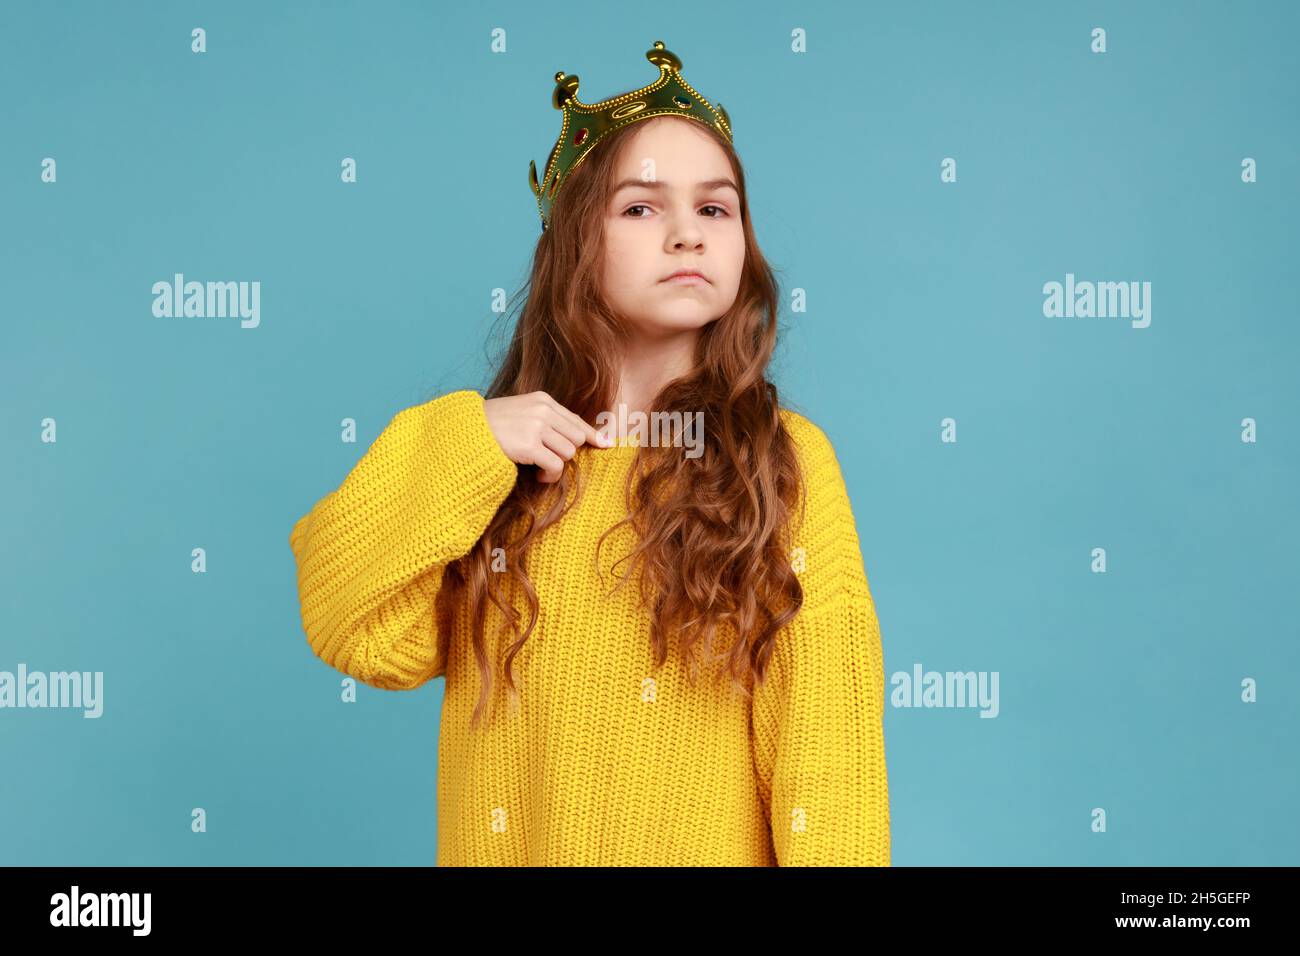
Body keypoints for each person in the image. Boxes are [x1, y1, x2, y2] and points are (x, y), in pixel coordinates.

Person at [289, 40, 890, 866]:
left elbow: (831, 766)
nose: (688, 233)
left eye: (715, 209)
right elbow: (352, 624)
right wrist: (467, 438)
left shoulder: (779, 463)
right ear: (575, 244)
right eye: (641, 208)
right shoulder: (496, 475)